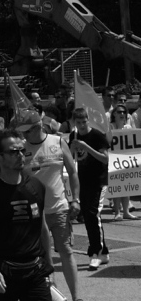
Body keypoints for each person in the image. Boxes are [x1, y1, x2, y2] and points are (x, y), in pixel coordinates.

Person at [0, 129, 54, 301]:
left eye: (22, 150)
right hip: (1, 273)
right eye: (13, 152)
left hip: (36, 272)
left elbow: (42, 229)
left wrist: (49, 268)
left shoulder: (36, 186)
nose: (20, 155)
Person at [21, 110, 82, 301]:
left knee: (66, 251)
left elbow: (72, 172)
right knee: (41, 258)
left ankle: (76, 297)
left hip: (59, 208)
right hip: (34, 213)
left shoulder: (57, 141)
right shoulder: (21, 149)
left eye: (27, 131)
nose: (24, 135)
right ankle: (49, 295)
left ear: (38, 126)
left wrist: (75, 199)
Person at [68, 106, 110, 269]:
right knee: (87, 215)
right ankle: (103, 252)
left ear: (88, 120)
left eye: (84, 122)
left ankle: (95, 252)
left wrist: (86, 147)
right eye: (79, 122)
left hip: (97, 180)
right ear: (75, 122)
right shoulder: (74, 135)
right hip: (82, 180)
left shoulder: (97, 136)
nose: (82, 125)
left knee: (93, 214)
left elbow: (105, 159)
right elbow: (72, 156)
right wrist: (72, 148)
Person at [108, 104, 137, 220]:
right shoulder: (109, 127)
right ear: (114, 114)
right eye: (119, 112)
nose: (122, 114)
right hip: (113, 160)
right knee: (116, 186)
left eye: (124, 112)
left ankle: (126, 212)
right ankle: (117, 213)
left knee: (127, 185)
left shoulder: (128, 128)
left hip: (126, 160)